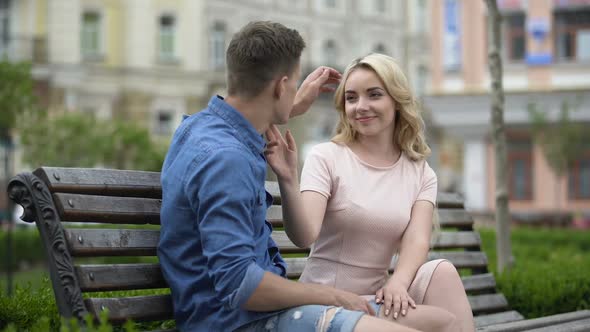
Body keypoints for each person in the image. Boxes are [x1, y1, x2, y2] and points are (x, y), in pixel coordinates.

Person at [158, 21, 424, 332]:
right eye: (294, 84)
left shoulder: (198, 129)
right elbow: (239, 284)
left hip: (237, 315)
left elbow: (242, 123)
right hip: (240, 323)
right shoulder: (227, 160)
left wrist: (287, 106)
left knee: (442, 322)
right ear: (280, 87)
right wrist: (333, 296)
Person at [265, 53, 476, 332]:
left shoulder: (421, 172)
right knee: (444, 325)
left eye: (374, 95)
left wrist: (399, 282)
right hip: (325, 305)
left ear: (396, 101)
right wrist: (288, 179)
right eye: (351, 98)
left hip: (376, 303)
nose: (361, 107)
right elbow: (304, 236)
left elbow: (417, 240)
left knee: (443, 272)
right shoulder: (327, 157)